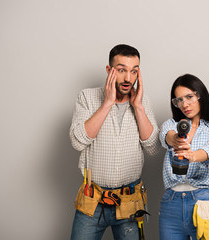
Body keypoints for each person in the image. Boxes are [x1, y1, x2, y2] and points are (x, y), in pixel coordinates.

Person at [69, 44, 159, 240]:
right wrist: (107, 103)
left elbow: (153, 148)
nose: (128, 78)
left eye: (134, 71)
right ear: (109, 70)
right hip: (92, 200)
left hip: (130, 202)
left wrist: (138, 108)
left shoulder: (142, 102)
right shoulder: (87, 97)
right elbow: (77, 142)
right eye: (121, 70)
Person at [159, 74, 209, 240]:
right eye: (179, 100)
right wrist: (175, 140)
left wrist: (191, 155)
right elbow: (167, 135)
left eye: (189, 97)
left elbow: (208, 153)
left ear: (200, 95)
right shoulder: (171, 124)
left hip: (203, 202)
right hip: (171, 203)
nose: (184, 104)